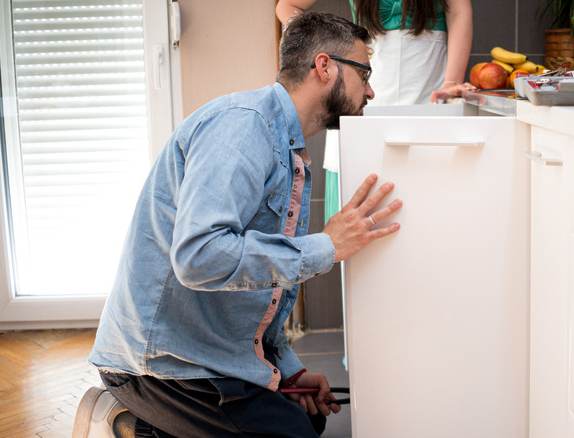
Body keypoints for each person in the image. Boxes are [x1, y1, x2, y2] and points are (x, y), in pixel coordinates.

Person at [77, 11, 402, 438]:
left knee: (310, 418)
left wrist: (286, 369)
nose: (371, 89)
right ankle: (129, 424)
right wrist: (327, 245)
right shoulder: (244, 126)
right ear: (325, 67)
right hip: (161, 363)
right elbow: (199, 257)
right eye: (365, 72)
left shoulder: (289, 149)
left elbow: (257, 294)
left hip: (207, 348)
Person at [276, 0, 473, 223]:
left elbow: (459, 11)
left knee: (427, 211)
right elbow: (287, 5)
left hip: (427, 92)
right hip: (358, 97)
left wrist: (452, 82)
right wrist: (322, 44)